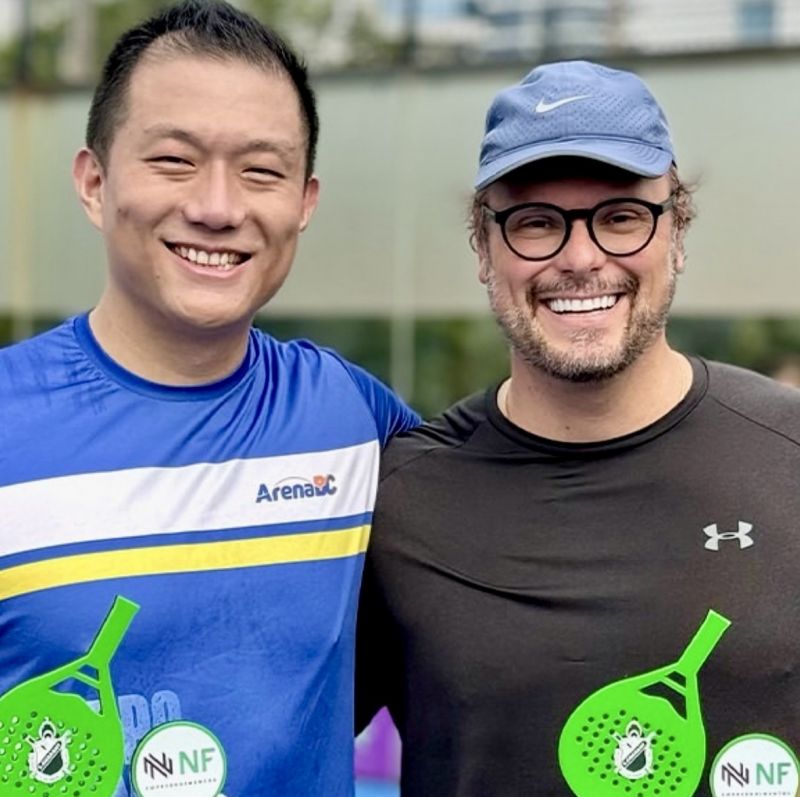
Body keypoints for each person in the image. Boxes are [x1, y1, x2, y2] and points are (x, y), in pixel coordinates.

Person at [0, 2, 418, 796]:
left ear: (304, 202)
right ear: (94, 183)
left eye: (261, 171)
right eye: (175, 161)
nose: (219, 207)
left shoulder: (354, 420)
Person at [356, 60, 800, 797]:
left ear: (677, 233)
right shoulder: (403, 497)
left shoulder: (791, 457)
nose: (582, 257)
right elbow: (280, 726)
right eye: (536, 222)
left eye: (622, 216)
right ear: (483, 249)